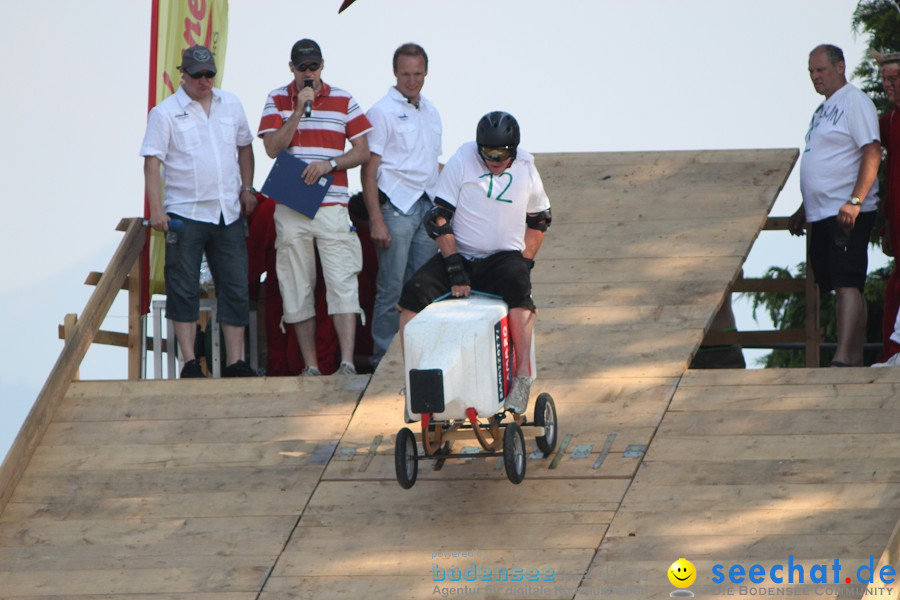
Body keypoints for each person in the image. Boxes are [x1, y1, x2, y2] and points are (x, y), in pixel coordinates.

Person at [397, 111, 552, 413]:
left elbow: (540, 220)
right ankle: (413, 383)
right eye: (488, 153)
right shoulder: (462, 159)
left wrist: (525, 262)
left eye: (501, 153)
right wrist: (454, 267)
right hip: (458, 255)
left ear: (514, 150)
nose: (494, 160)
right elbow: (439, 218)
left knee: (519, 286)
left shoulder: (526, 167)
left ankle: (521, 378)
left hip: (502, 259)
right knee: (411, 295)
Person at [140, 45, 258, 379]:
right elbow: (152, 163)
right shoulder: (164, 113)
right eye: (197, 75)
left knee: (236, 286)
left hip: (228, 212)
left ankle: (235, 362)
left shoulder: (230, 103)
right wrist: (157, 209)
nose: (205, 81)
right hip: (185, 212)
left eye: (210, 74)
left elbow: (245, 147)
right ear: (183, 74)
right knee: (183, 287)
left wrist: (247, 188)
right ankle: (189, 362)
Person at [258, 38, 372, 376]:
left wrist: (331, 164)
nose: (309, 73)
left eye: (314, 66)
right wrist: (296, 112)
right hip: (292, 205)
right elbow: (272, 148)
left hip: (332, 204)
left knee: (342, 283)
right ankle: (311, 365)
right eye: (302, 67)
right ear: (291, 67)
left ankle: (348, 363)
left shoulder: (344, 99)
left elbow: (363, 150)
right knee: (296, 285)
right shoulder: (277, 98)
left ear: (323, 65)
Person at [788, 44, 881, 367]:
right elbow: (825, 159)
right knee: (838, 283)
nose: (815, 77)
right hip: (822, 210)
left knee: (847, 282)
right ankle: (852, 355)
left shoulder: (854, 101)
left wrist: (855, 201)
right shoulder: (822, 110)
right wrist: (804, 207)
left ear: (840, 67)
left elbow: (871, 150)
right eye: (811, 72)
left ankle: (843, 357)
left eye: (820, 70)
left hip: (847, 211)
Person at [361, 43, 442, 367]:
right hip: (395, 207)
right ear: (395, 73)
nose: (412, 80)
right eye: (406, 74)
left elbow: (433, 165)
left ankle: (419, 360)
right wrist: (376, 219)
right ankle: (384, 359)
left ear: (426, 73)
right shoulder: (380, 111)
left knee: (424, 289)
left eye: (418, 74)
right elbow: (368, 170)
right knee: (391, 288)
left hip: (427, 208)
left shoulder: (432, 111)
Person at [873, 52, 900, 367]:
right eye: (885, 80)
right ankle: (892, 354)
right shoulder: (890, 120)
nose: (888, 85)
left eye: (894, 78)